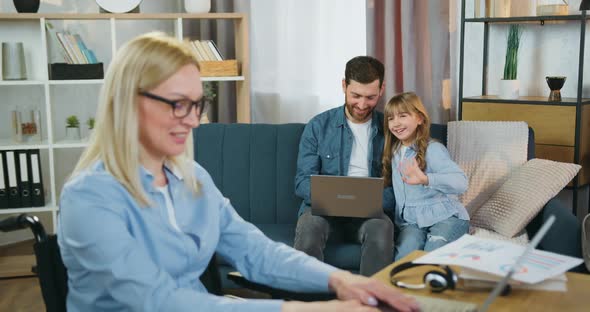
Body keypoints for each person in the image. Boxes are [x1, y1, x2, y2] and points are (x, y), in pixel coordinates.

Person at [56, 33, 419, 312]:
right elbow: (157, 300)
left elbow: (255, 251)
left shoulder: (192, 179)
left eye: (197, 104)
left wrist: (343, 281)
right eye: (178, 104)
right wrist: (296, 308)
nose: (194, 120)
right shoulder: (89, 197)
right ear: (129, 103)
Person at [294, 56, 395, 277]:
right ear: (344, 86)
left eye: (370, 97)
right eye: (355, 95)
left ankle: (369, 305)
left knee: (382, 229)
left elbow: (400, 189)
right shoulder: (318, 126)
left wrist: (371, 200)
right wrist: (335, 198)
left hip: (371, 215)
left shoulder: (391, 129)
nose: (362, 104)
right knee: (309, 226)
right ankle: (306, 305)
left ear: (381, 89)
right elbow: (302, 182)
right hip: (323, 212)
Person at [381, 92, 470, 261]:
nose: (396, 123)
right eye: (390, 118)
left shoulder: (433, 149)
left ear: (420, 118)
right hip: (411, 223)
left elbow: (461, 183)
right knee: (403, 261)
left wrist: (425, 179)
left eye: (403, 116)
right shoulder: (394, 152)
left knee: (432, 257)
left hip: (446, 218)